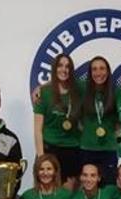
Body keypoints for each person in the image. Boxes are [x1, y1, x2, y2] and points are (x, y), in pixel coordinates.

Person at [33, 54, 82, 191]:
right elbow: (38, 129)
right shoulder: (43, 93)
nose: (64, 69)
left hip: (72, 150)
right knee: (47, 194)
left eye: (67, 66)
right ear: (54, 68)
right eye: (60, 66)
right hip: (50, 149)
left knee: (67, 196)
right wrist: (41, 158)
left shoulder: (79, 90)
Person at [79, 56, 119, 185]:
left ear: (108, 71)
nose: (98, 73)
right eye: (94, 69)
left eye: (102, 68)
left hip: (109, 149)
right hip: (87, 149)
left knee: (109, 189)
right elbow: (62, 82)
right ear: (90, 73)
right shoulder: (82, 89)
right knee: (88, 189)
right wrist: (40, 88)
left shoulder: (116, 92)